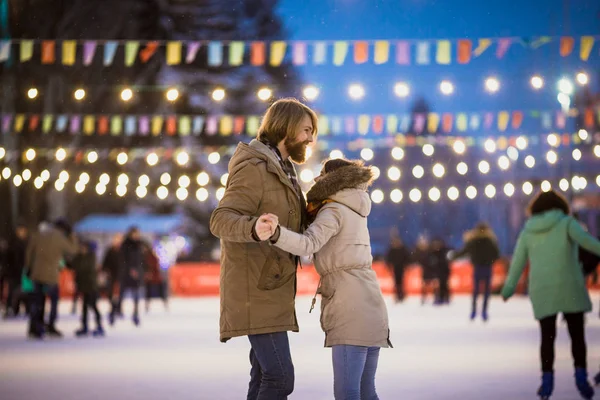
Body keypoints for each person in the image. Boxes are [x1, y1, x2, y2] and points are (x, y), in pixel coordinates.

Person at [210, 98, 317, 399]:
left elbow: (294, 222)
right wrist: (253, 228)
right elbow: (221, 219)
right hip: (255, 289)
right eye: (306, 130)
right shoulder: (255, 168)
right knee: (280, 378)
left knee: (264, 376)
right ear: (287, 127)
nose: (311, 138)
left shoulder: (284, 170)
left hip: (271, 287)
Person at [263, 158, 390, 400]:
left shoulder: (334, 210)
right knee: (366, 391)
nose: (316, 179)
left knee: (348, 393)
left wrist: (277, 234)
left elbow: (308, 243)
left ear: (333, 179)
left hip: (349, 305)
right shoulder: (356, 208)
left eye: (321, 174)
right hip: (373, 304)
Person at [501, 190, 600, 400]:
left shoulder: (528, 230)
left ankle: (547, 382)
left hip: (542, 288)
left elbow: (518, 261)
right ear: (560, 206)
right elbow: (588, 242)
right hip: (569, 286)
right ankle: (581, 378)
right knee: (577, 335)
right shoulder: (567, 223)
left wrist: (509, 287)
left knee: (547, 337)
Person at [25, 219, 78, 339]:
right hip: (51, 274)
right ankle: (51, 325)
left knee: (37, 300)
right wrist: (72, 236)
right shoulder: (60, 238)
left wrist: (29, 267)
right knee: (53, 300)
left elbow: (30, 251)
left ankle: (34, 326)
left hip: (37, 272)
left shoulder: (40, 234)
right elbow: (73, 250)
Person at [452, 222, 500, 321]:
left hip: (478, 267)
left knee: (476, 291)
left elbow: (464, 251)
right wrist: (489, 261)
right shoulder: (490, 241)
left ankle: (474, 311)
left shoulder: (474, 241)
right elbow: (496, 254)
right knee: (486, 291)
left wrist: (453, 256)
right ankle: (484, 311)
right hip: (487, 268)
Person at [110, 227, 145, 326]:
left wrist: (140, 270)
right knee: (121, 296)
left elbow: (141, 260)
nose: (136, 235)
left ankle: (135, 315)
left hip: (136, 274)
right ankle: (114, 312)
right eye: (135, 233)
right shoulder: (125, 245)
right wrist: (130, 269)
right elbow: (123, 260)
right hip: (126, 274)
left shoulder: (139, 244)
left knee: (136, 297)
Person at [69, 241, 104, 337]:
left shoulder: (91, 257)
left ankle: (99, 326)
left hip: (91, 285)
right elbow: (73, 265)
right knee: (84, 307)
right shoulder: (79, 256)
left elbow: (83, 268)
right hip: (83, 285)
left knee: (93, 306)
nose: (82, 249)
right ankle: (84, 326)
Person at [3, 223, 28, 318]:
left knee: (18, 291)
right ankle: (12, 308)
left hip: (16, 271)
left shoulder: (17, 243)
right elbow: (14, 258)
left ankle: (15, 308)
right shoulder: (15, 243)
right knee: (14, 291)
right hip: (15, 272)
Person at [102, 234, 124, 315]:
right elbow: (105, 262)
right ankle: (113, 307)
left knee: (120, 293)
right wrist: (105, 270)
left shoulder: (123, 251)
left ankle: (119, 309)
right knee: (110, 293)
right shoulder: (110, 250)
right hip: (111, 275)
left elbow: (126, 262)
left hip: (120, 275)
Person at [143, 242, 168, 312]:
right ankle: (147, 306)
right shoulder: (147, 256)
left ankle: (165, 304)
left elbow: (154, 265)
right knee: (150, 292)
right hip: (151, 277)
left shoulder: (150, 256)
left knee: (159, 292)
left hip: (154, 277)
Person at [385, 236, 410, 302]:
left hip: (402, 268)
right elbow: (388, 259)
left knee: (401, 283)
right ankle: (397, 295)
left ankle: (401, 295)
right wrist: (389, 266)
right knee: (396, 283)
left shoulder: (402, 249)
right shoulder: (392, 249)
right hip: (395, 269)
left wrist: (406, 265)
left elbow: (407, 258)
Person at [413, 235, 435, 305]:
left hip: (431, 270)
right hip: (425, 270)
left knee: (433, 284)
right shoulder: (419, 252)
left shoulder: (430, 251)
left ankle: (434, 297)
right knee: (424, 285)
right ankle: (424, 297)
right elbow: (415, 258)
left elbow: (433, 260)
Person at [431, 238, 451, 305]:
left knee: (444, 285)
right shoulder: (432, 252)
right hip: (436, 272)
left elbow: (446, 262)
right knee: (436, 286)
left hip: (444, 272)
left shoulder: (444, 251)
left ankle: (445, 298)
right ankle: (438, 298)